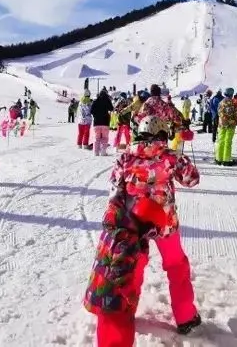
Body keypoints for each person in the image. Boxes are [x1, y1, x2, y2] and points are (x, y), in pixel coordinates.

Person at [84, 115, 202, 344]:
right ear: (162, 134)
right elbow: (192, 180)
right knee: (177, 265)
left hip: (134, 225)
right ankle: (185, 315)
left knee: (132, 269)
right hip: (164, 222)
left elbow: (115, 191)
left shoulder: (125, 157)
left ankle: (125, 311)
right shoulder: (169, 157)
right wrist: (183, 158)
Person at [215, 90, 237, 165]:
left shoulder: (221, 102)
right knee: (228, 141)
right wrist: (236, 120)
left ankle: (219, 159)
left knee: (221, 140)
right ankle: (226, 160)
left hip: (222, 124)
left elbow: (219, 113)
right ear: (231, 94)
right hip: (231, 125)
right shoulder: (234, 103)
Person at [92, 89, 114, 156]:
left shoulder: (95, 101)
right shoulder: (107, 101)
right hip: (105, 122)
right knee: (105, 138)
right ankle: (103, 152)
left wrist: (96, 115)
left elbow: (91, 111)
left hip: (96, 123)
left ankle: (96, 152)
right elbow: (111, 108)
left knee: (97, 138)